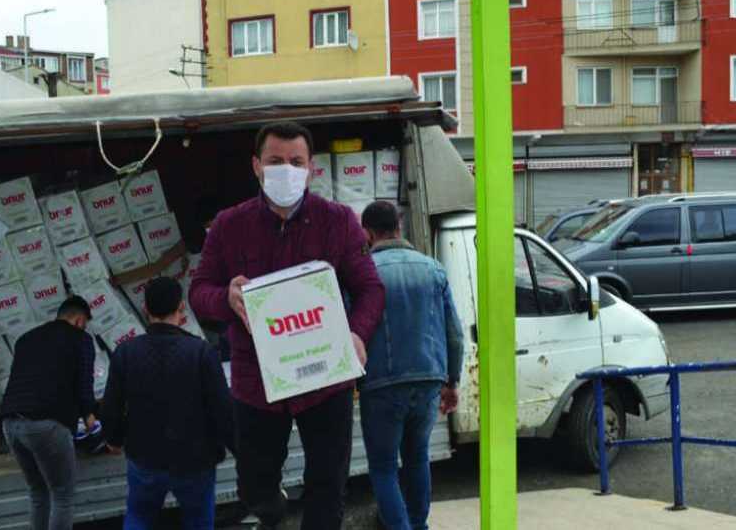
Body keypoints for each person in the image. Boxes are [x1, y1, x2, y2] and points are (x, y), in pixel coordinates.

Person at [190, 122, 386, 530]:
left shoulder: (338, 221)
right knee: (254, 484)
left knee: (328, 486)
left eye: (296, 162)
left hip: (325, 378)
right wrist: (225, 297)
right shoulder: (229, 226)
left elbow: (370, 289)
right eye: (275, 161)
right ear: (256, 166)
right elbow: (198, 293)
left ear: (311, 168)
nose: (286, 170)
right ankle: (270, 507)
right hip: (256, 382)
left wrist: (357, 333)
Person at [358, 201, 464, 530]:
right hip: (429, 381)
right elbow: (454, 333)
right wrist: (452, 381)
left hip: (380, 386)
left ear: (367, 234)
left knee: (384, 467)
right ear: (399, 228)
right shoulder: (432, 268)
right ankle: (419, 526)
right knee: (418, 459)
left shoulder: (363, 273)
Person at [100, 276, 235, 530]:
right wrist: (239, 450)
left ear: (145, 310)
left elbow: (111, 407)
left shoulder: (125, 353)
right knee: (198, 521)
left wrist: (114, 439)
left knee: (139, 516)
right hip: (195, 459)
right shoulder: (201, 352)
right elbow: (222, 410)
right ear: (181, 307)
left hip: (144, 457)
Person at [0, 295, 97, 530]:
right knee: (63, 496)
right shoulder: (80, 339)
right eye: (84, 323)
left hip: (10, 423)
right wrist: (90, 417)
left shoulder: (26, 339)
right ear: (78, 320)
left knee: (38, 491)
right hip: (46, 424)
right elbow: (84, 383)